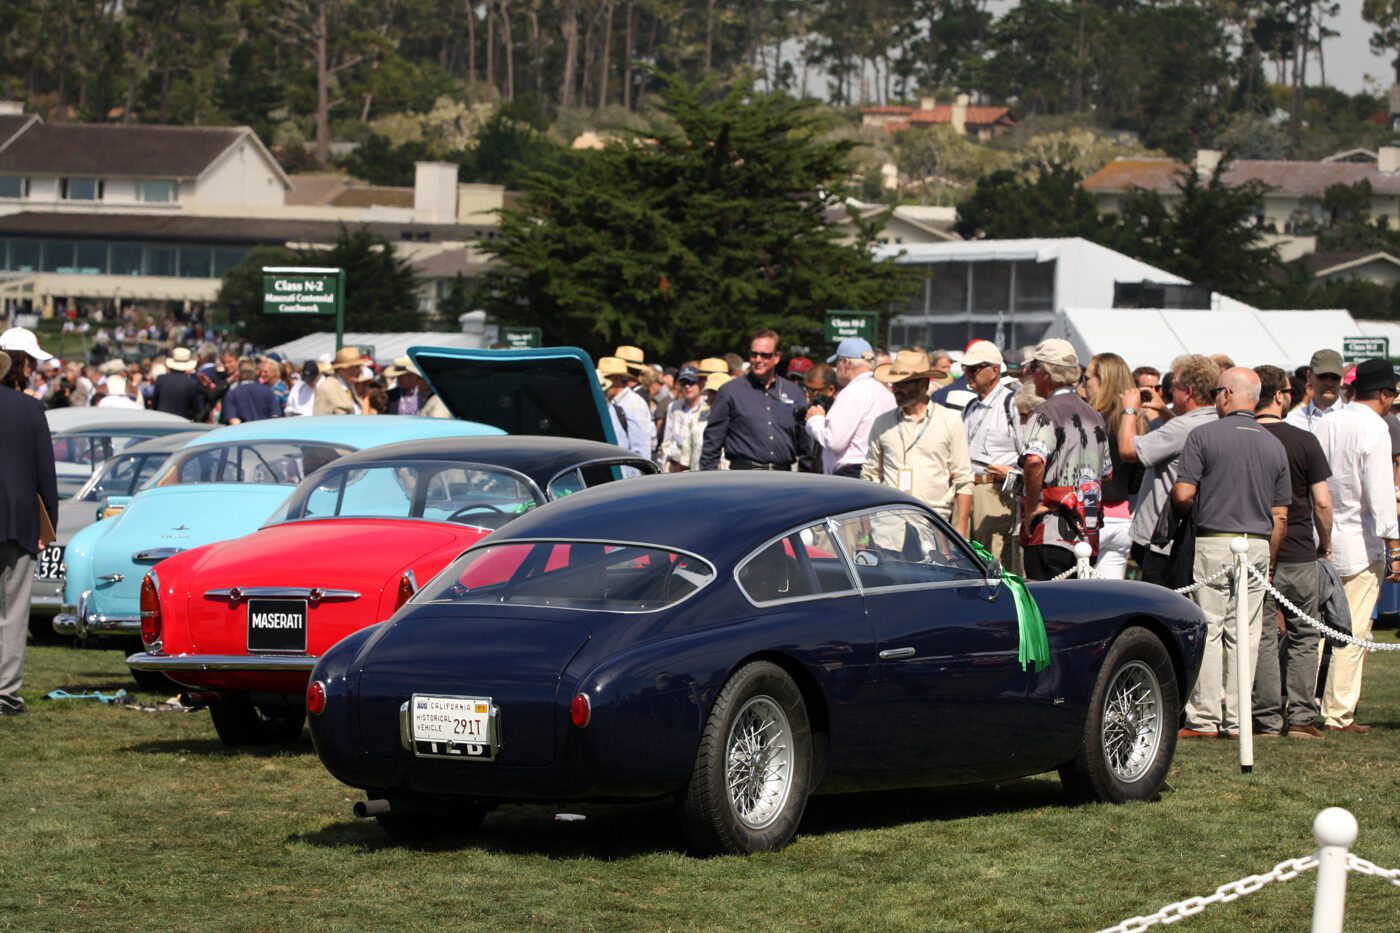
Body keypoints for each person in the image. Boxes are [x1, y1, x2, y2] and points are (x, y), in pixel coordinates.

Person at [1170, 367, 1290, 739]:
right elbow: (1281, 514)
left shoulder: (1203, 434)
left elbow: (1184, 494)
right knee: (1247, 633)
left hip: (1214, 539)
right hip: (1256, 543)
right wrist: (1269, 557)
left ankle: (1205, 718)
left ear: (1225, 395)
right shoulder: (1274, 444)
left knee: (1209, 627)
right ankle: (1239, 719)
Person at [1313, 357, 1400, 734]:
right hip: (1361, 542)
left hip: (1323, 536)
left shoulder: (1326, 421)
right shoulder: (1375, 428)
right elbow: (1381, 495)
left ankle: (1305, 703)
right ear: (1383, 394)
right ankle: (1338, 713)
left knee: (1317, 629)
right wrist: (1394, 546)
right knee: (1354, 631)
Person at [1250, 365, 1333, 739]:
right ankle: (1301, 717)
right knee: (1304, 634)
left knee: (1264, 635)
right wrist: (1326, 545)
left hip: (1253, 548)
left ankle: (1266, 719)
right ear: (1281, 396)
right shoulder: (1303, 441)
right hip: (1299, 547)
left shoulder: (1245, 439)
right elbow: (1323, 503)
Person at [1119, 355, 1220, 587]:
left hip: (1163, 541)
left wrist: (1129, 410)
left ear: (1189, 391)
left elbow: (1128, 450)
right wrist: (1165, 411)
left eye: (1173, 386)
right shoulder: (1216, 420)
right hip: (1195, 536)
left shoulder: (1181, 427)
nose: (1168, 391)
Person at [1018, 339, 1111, 581]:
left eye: (1034, 369)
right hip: (1087, 531)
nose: (1031, 376)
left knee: (1046, 608)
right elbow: (1107, 472)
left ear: (1046, 373)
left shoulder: (1045, 412)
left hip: (1050, 530)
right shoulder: (1095, 415)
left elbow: (1035, 461)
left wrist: (1030, 510)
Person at [0, 343, 58, 716]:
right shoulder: (30, 407)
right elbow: (45, 474)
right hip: (17, 518)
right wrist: (48, 522)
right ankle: (4, 690)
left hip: (15, 514)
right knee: (14, 610)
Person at [863, 349, 973, 534]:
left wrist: (960, 529)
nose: (895, 389)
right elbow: (869, 477)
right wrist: (864, 534)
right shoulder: (882, 423)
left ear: (923, 383)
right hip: (888, 529)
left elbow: (963, 479)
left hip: (933, 526)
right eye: (893, 384)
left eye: (902, 384)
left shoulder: (950, 420)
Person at [700, 329, 807, 471]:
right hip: (744, 476)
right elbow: (712, 441)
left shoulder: (794, 393)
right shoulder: (730, 392)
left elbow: (806, 444)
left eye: (765, 355)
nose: (758, 360)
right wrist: (709, 479)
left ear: (777, 357)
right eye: (754, 354)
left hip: (783, 478)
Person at [961, 341, 1022, 573]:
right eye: (967, 368)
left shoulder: (1011, 403)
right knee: (971, 558)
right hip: (970, 488)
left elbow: (1026, 452)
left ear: (994, 370)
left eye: (975, 368)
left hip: (997, 491)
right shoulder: (970, 407)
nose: (968, 373)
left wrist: (1013, 475)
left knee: (994, 560)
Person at [1084, 353, 1144, 580]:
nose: (1083, 383)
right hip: (1121, 518)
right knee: (1108, 599)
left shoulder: (1090, 421)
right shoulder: (1135, 422)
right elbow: (1136, 482)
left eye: (1087, 377)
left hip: (1090, 517)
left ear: (1102, 379)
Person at [805, 337, 895, 477]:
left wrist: (815, 420)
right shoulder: (885, 391)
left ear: (846, 363)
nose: (836, 369)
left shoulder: (852, 392)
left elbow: (834, 441)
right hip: (880, 470)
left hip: (852, 474)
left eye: (837, 363)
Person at [1285, 349, 1345, 433]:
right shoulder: (1292, 421)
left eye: (1335, 377)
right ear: (1309, 376)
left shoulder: (1356, 420)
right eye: (1322, 376)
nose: (1329, 383)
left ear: (1342, 379)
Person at [660, 365, 707, 472]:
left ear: (700, 383)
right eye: (683, 383)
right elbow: (667, 439)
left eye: (691, 382)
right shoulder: (673, 406)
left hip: (699, 467)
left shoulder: (708, 406)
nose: (687, 386)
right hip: (675, 466)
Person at [799, 363, 839, 473]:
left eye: (813, 391)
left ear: (831, 390)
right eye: (805, 389)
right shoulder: (809, 410)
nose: (807, 395)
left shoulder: (838, 413)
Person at [149, 347, 202, 420]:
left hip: (161, 421)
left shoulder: (161, 379)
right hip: (182, 423)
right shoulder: (192, 383)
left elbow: (154, 403)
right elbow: (195, 409)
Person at [314, 347, 366, 415]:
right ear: (342, 369)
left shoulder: (350, 387)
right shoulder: (326, 388)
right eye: (356, 367)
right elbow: (319, 421)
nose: (360, 371)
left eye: (360, 367)